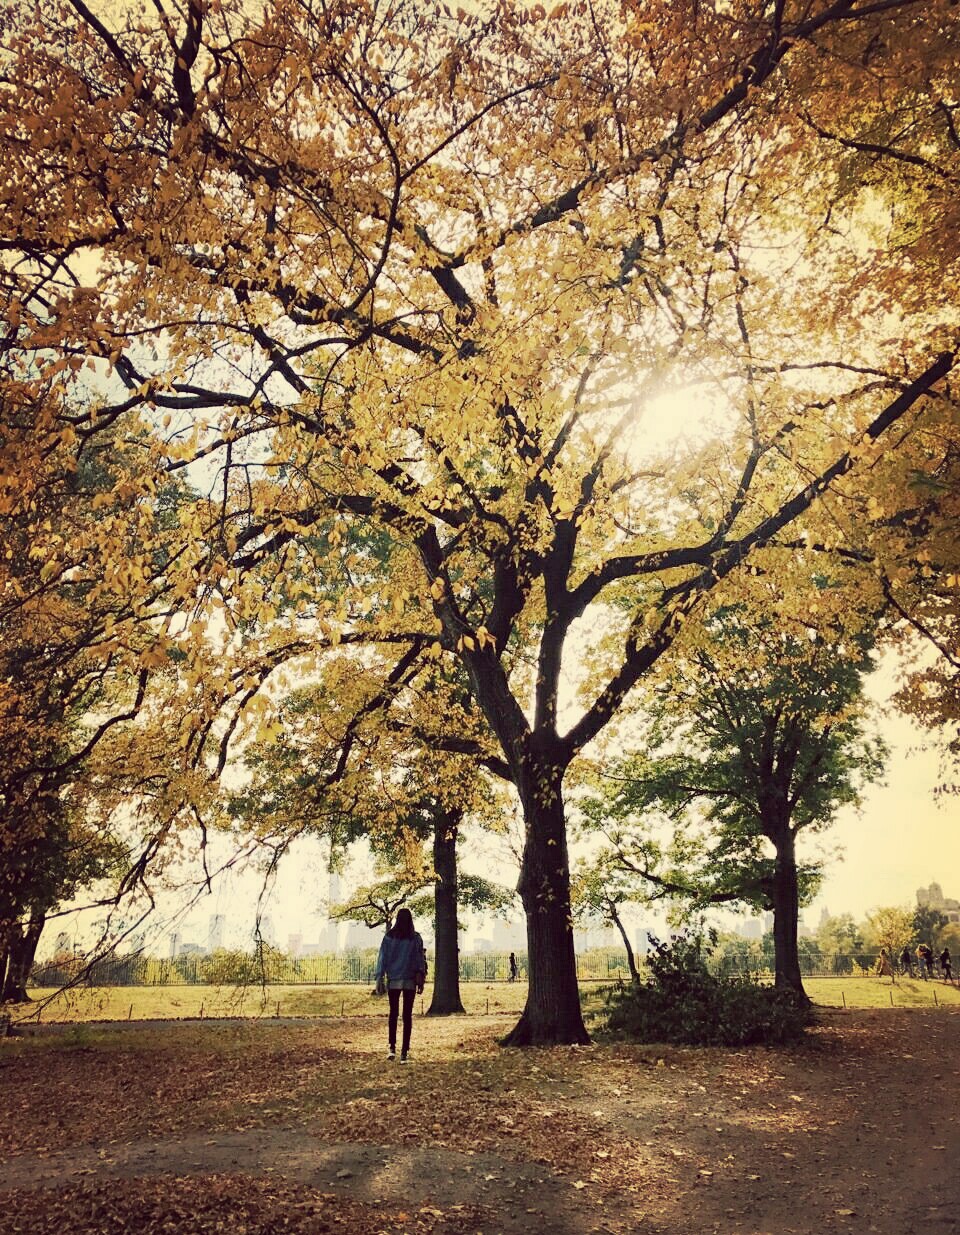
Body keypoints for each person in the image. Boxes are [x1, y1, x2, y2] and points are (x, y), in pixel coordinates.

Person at [374, 908, 427, 1063]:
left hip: (394, 979)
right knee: (407, 1016)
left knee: (393, 1014)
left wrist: (380, 977)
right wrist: (421, 977)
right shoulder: (415, 938)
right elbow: (419, 959)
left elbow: (382, 958)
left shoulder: (389, 937)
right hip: (409, 979)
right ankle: (404, 1052)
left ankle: (391, 1047)